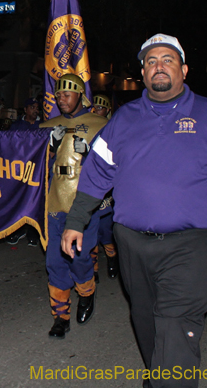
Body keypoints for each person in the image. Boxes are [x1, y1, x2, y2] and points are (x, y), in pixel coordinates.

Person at [61, 34, 207, 387]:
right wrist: (76, 222)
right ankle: (160, 375)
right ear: (143, 73)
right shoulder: (124, 119)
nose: (159, 66)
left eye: (168, 60)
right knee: (145, 320)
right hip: (133, 245)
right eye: (151, 61)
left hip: (193, 245)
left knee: (175, 324)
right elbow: (96, 175)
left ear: (184, 70)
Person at [39, 75, 107, 338]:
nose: (61, 99)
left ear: (80, 94)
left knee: (80, 260)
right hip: (54, 201)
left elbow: (113, 167)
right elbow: (31, 169)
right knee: (55, 261)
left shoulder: (100, 126)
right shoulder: (48, 126)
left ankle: (87, 293)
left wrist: (89, 153)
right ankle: (60, 317)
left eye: (67, 94)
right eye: (58, 95)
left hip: (84, 204)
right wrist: (50, 149)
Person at [6, 96, 42, 247]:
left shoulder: (43, 125)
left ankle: (33, 232)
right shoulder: (16, 126)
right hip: (21, 170)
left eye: (37, 107)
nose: (35, 110)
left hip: (38, 169)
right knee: (20, 200)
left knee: (36, 200)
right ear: (26, 110)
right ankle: (18, 229)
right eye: (32, 107)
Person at [90, 94, 118, 281]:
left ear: (107, 111)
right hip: (89, 184)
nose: (96, 110)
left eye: (101, 107)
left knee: (106, 232)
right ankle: (93, 269)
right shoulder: (86, 127)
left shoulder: (113, 129)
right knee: (90, 232)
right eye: (94, 107)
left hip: (107, 187)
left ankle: (112, 258)